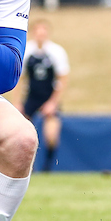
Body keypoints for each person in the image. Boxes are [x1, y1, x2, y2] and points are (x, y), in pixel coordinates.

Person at [22, 19, 69, 171]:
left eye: (44, 30)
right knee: (21, 134)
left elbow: (63, 79)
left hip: (48, 97)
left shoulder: (56, 51)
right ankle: (27, 167)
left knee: (51, 135)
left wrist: (53, 103)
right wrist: (17, 103)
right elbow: (19, 79)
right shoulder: (26, 50)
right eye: (38, 30)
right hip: (31, 97)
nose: (41, 33)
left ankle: (47, 168)